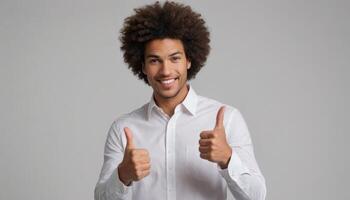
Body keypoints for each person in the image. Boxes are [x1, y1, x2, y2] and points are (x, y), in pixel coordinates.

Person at [94, 1, 266, 200]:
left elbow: (257, 197)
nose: (166, 70)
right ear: (142, 66)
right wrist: (122, 175)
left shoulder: (227, 119)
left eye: (175, 58)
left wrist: (228, 159)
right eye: (154, 60)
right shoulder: (124, 128)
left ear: (189, 60)